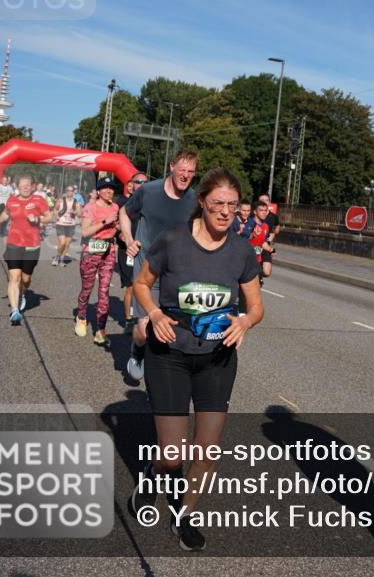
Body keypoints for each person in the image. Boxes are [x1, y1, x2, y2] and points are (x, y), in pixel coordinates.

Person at [128, 168, 263, 552]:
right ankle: (154, 473)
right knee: (172, 454)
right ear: (201, 202)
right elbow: (141, 283)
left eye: (233, 206)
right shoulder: (172, 241)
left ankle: (184, 516)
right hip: (169, 352)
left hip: (217, 357)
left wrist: (245, 321)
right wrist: (153, 314)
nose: (225, 212)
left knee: (207, 450)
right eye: (218, 204)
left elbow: (255, 306)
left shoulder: (241, 250)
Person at [120, 150, 198, 380]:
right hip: (147, 270)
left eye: (191, 172)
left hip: (178, 273)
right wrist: (128, 237)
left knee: (174, 327)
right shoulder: (148, 191)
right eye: (182, 170)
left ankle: (166, 370)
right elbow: (124, 212)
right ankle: (138, 352)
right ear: (172, 167)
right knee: (146, 327)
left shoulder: (194, 199)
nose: (185, 175)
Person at [0, 175, 53, 325]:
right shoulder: (12, 200)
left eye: (28, 185)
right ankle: (14, 311)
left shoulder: (39, 200)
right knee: (14, 277)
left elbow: (49, 217)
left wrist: (38, 219)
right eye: (22, 186)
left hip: (32, 246)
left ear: (32, 186)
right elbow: (6, 213)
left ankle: (23, 293)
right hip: (14, 244)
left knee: (25, 279)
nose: (25, 188)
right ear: (17, 187)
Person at [74, 178, 121, 345]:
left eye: (112, 189)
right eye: (106, 188)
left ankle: (101, 330)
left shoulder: (115, 207)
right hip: (91, 251)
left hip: (108, 252)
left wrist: (118, 228)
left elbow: (115, 228)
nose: (109, 191)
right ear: (99, 191)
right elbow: (85, 232)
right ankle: (81, 315)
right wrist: (104, 222)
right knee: (87, 289)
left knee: (104, 292)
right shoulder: (90, 208)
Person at [116, 172, 148, 328]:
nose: (142, 184)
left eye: (145, 182)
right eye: (139, 182)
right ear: (132, 185)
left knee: (146, 284)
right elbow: (116, 224)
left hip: (147, 251)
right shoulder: (125, 205)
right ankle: (129, 319)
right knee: (131, 285)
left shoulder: (152, 205)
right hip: (128, 250)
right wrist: (121, 234)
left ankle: (144, 316)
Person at [53, 186, 82, 266]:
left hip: (71, 225)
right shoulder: (61, 200)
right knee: (62, 243)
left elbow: (79, 214)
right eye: (68, 190)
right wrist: (57, 216)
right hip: (61, 224)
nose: (70, 192)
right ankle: (57, 257)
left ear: (73, 192)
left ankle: (61, 260)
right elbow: (55, 209)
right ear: (66, 192)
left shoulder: (76, 202)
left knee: (67, 244)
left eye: (71, 190)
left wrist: (75, 212)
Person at [248, 200, 274, 279]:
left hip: (258, 256)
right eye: (261, 210)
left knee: (266, 272)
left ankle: (259, 277)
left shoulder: (266, 226)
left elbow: (263, 242)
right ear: (255, 212)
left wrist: (271, 250)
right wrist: (252, 235)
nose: (264, 212)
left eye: (265, 210)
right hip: (247, 256)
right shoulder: (249, 222)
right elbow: (242, 239)